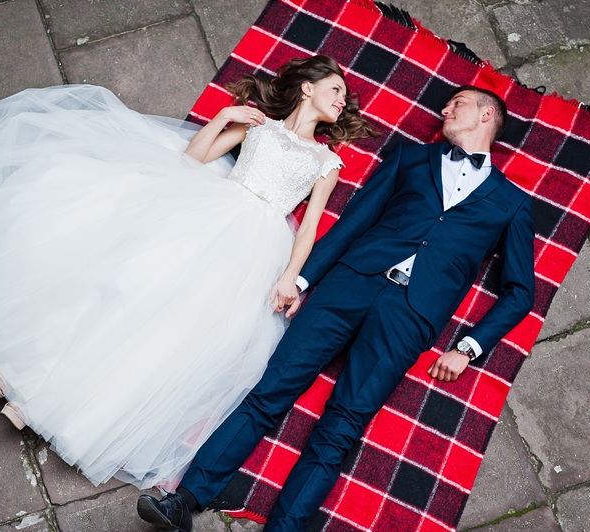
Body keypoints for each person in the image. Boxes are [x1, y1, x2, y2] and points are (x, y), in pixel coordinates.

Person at [0, 55, 376, 490]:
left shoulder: (324, 162)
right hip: (210, 209)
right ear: (307, 87)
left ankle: (58, 409)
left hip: (254, 244)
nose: (341, 100)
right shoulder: (259, 126)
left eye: (343, 96)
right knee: (124, 289)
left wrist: (290, 276)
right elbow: (192, 159)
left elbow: (309, 226)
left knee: (166, 331)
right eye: (335, 89)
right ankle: (28, 378)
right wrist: (223, 118)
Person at [136, 85, 536, 531]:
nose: (445, 109)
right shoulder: (409, 158)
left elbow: (521, 292)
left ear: (486, 116)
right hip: (347, 285)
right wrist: (302, 281)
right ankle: (184, 500)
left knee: (341, 427)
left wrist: (469, 346)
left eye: (457, 104)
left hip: (410, 317)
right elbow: (354, 223)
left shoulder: (513, 203)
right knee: (271, 389)